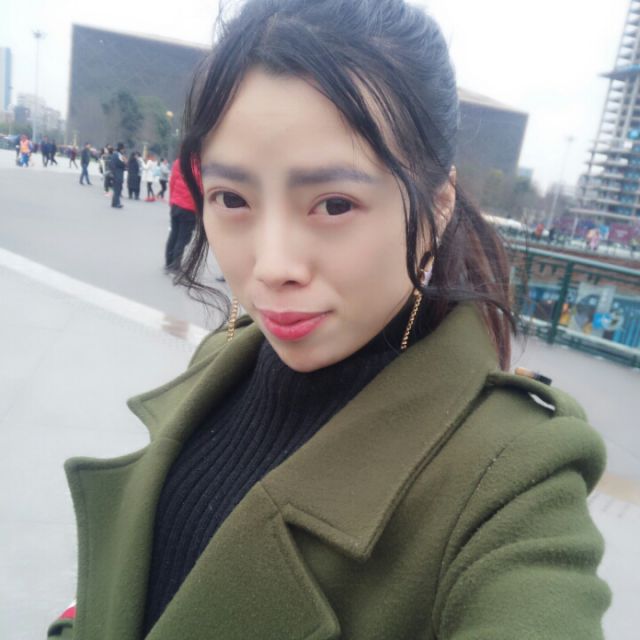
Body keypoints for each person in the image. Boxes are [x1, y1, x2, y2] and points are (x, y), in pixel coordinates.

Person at [47, 2, 610, 639]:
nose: (271, 268)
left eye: (334, 204)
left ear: (438, 206)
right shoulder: (227, 357)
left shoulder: (512, 476)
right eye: (232, 198)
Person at [164, 157, 196, 274]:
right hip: (189, 207)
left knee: (174, 234)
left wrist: (171, 200)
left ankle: (168, 262)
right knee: (183, 238)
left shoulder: (179, 162)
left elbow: (172, 182)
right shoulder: (198, 165)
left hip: (176, 204)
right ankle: (175, 265)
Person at [109, 142, 126, 209]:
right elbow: (121, 164)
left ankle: (114, 203)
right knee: (118, 190)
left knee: (116, 189)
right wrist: (124, 163)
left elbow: (111, 164)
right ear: (121, 149)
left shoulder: (115, 154)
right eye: (123, 149)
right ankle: (117, 203)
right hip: (118, 174)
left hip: (116, 173)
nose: (124, 150)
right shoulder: (118, 155)